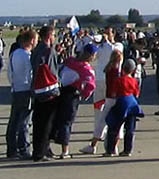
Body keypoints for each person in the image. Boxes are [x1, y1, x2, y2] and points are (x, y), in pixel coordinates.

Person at [52, 44, 97, 159]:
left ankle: (49, 146)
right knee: (67, 122)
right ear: (91, 56)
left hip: (60, 92)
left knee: (56, 119)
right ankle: (64, 150)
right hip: (72, 95)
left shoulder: (69, 61)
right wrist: (84, 95)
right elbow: (90, 86)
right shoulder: (86, 69)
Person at [81, 43, 123, 155]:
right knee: (119, 124)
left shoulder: (108, 69)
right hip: (116, 98)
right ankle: (114, 146)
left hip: (109, 97)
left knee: (102, 122)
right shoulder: (117, 72)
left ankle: (93, 145)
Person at [30, 26, 61, 162]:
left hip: (37, 90)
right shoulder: (48, 51)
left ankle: (43, 149)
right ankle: (40, 152)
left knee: (38, 121)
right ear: (49, 36)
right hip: (48, 91)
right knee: (46, 123)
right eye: (53, 35)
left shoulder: (36, 50)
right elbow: (50, 70)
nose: (54, 37)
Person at [6, 29, 37, 160]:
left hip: (16, 89)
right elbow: (30, 74)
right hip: (25, 90)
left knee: (14, 120)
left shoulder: (14, 54)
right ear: (31, 41)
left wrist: (13, 84)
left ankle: (11, 149)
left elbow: (9, 72)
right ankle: (24, 148)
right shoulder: (28, 56)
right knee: (24, 122)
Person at [104, 57, 143, 157]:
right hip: (133, 104)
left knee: (114, 126)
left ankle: (110, 149)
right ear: (133, 70)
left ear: (123, 68)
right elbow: (137, 94)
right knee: (130, 129)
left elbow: (113, 93)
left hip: (122, 102)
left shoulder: (119, 80)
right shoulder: (134, 81)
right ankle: (127, 149)